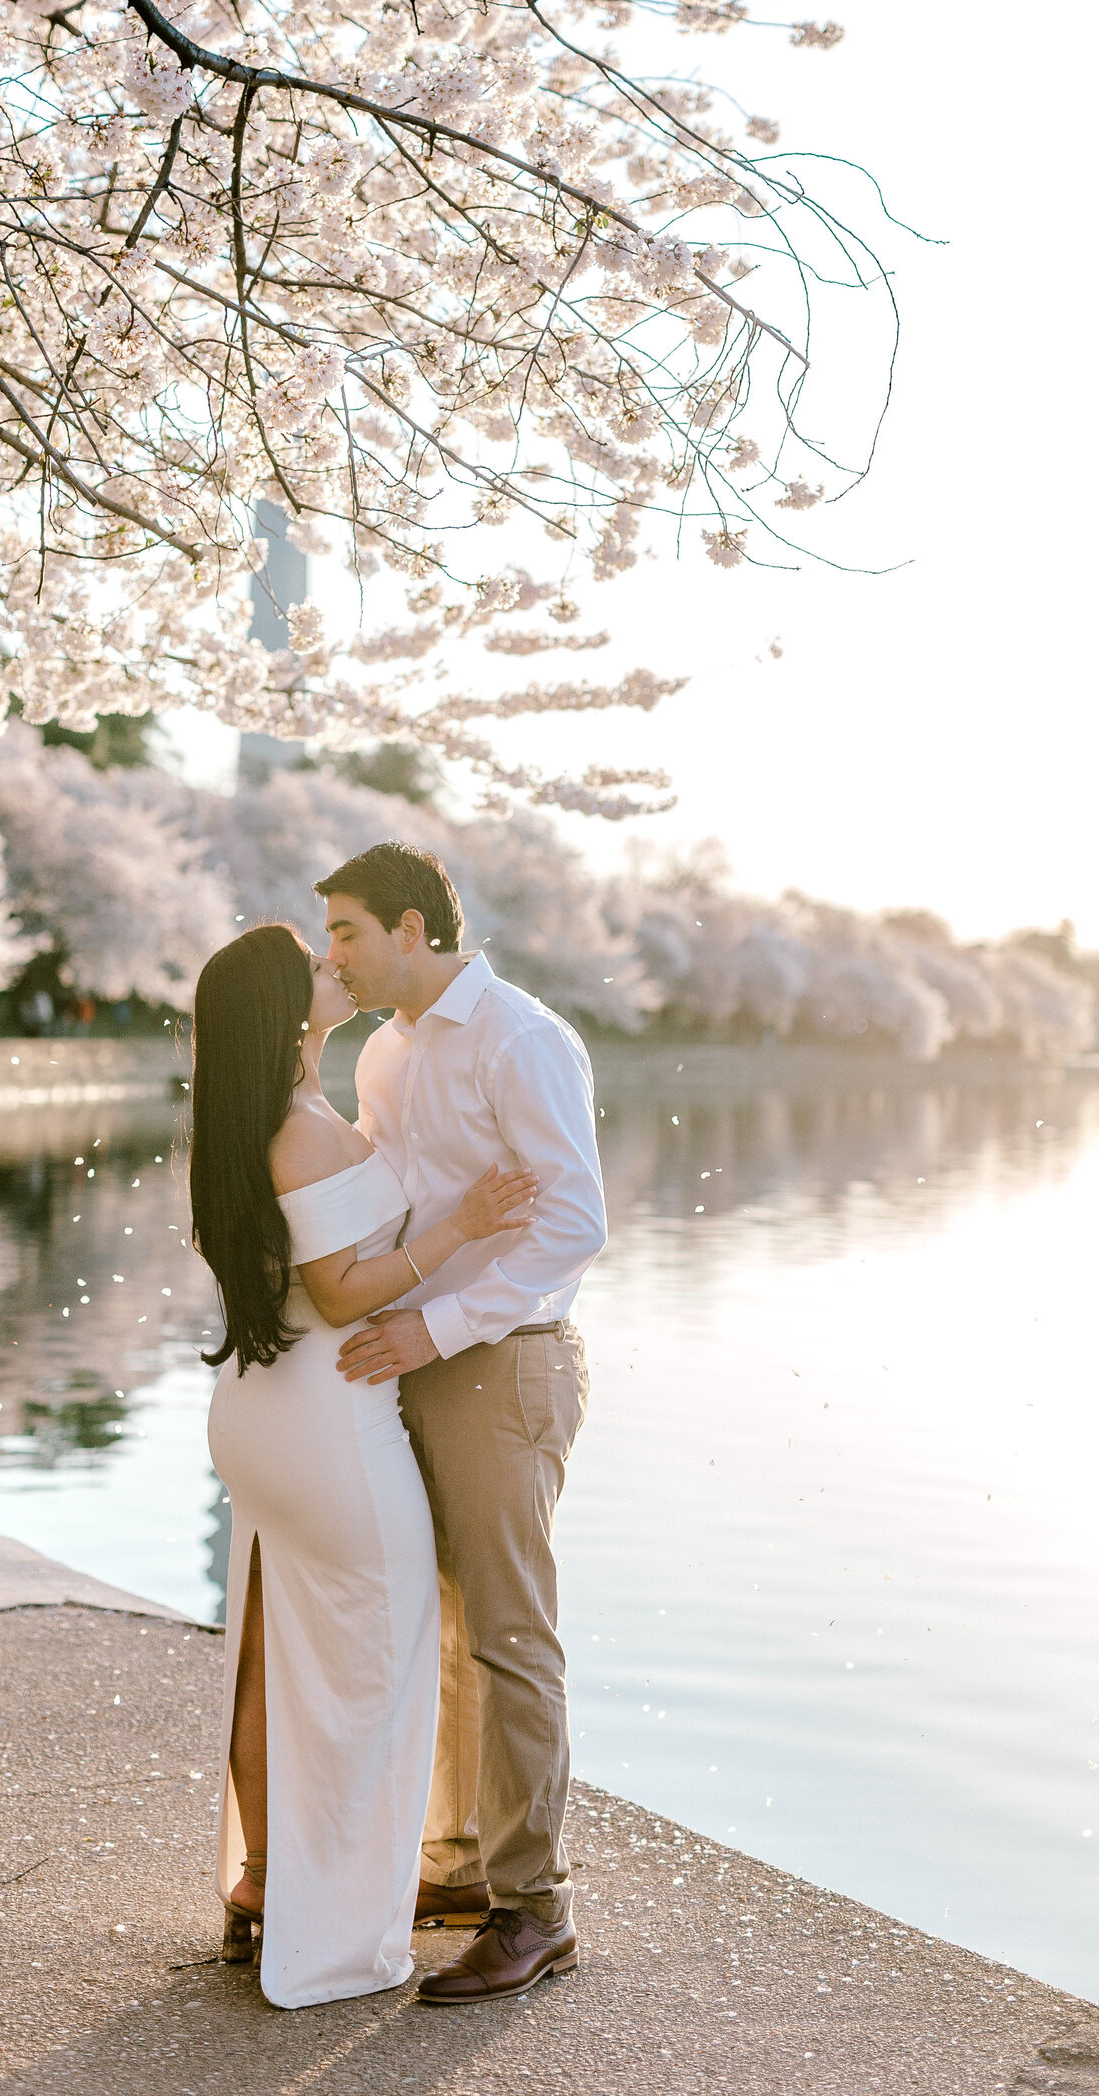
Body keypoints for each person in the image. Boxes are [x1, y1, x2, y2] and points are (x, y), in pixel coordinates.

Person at [193, 923, 537, 2008]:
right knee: (376, 1667)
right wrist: (462, 1227)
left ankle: (262, 1882)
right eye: (313, 963)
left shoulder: (251, 1120)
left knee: (265, 1651)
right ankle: (337, 1911)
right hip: (331, 1419)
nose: (332, 966)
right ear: (282, 1012)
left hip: (261, 1410)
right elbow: (343, 1292)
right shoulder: (296, 1129)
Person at [317, 842, 605, 2005]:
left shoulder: (519, 1037)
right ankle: (464, 1862)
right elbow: (394, 1210)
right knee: (440, 1628)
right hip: (412, 1364)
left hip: (504, 1363)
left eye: (345, 931)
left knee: (509, 1632)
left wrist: (433, 1333)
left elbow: (572, 1224)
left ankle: (537, 1910)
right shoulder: (386, 1051)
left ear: (410, 930)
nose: (331, 953)